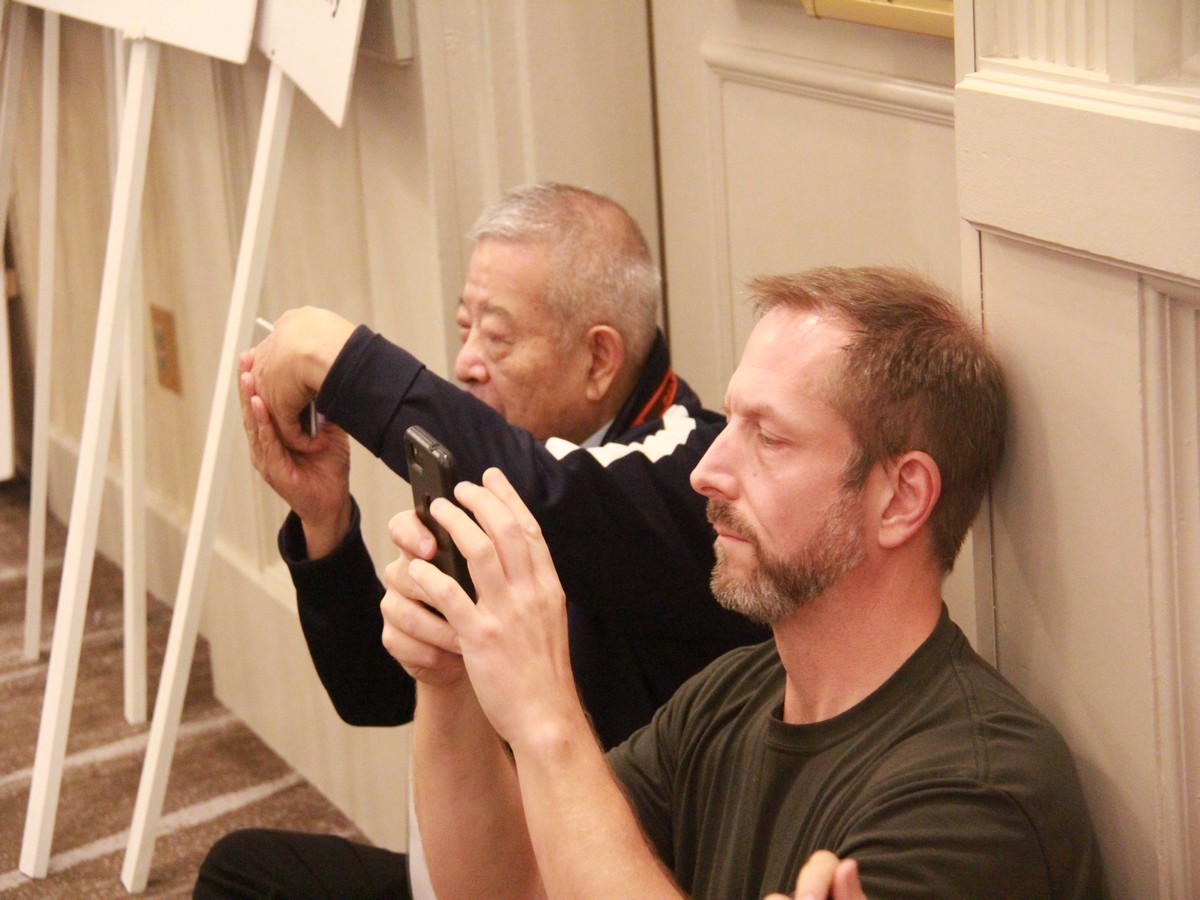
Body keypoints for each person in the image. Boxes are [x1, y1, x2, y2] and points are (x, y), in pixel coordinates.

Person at [383, 266, 1108, 899]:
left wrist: (546, 716)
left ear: (901, 498)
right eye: (730, 422)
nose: (706, 472)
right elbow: (512, 889)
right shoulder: (729, 697)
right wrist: (449, 679)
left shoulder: (977, 795)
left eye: (768, 437)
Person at [195, 184, 766, 898]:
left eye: (496, 338)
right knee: (242, 871)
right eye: (464, 328)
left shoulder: (689, 473)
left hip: (581, 880)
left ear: (599, 360)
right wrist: (325, 521)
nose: (465, 362)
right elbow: (376, 694)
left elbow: (554, 496)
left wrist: (333, 356)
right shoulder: (507, 465)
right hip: (475, 863)